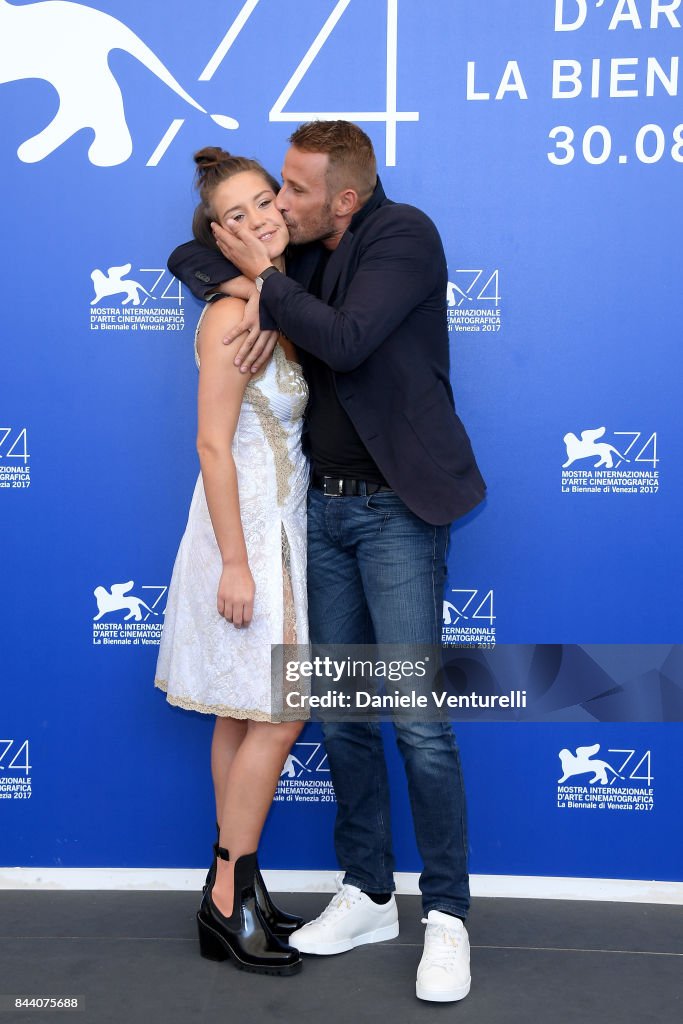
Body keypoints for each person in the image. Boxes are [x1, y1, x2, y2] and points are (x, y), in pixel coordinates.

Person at [168, 121, 486, 1003]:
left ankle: (448, 917)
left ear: (341, 198)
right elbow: (186, 257)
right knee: (341, 716)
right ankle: (369, 893)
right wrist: (246, 279)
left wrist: (265, 282)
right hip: (315, 517)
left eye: (289, 195)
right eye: (265, 199)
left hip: (394, 512)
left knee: (415, 720)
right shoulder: (288, 262)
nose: (279, 210)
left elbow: (343, 342)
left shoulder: (400, 237)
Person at [155, 146, 310, 976]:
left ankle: (236, 891)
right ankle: (227, 894)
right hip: (243, 533)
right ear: (217, 233)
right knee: (280, 716)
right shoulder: (227, 313)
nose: (259, 220)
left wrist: (260, 288)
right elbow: (212, 444)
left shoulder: (278, 299)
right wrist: (237, 565)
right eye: (237, 214)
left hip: (282, 526)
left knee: (243, 715)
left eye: (265, 202)